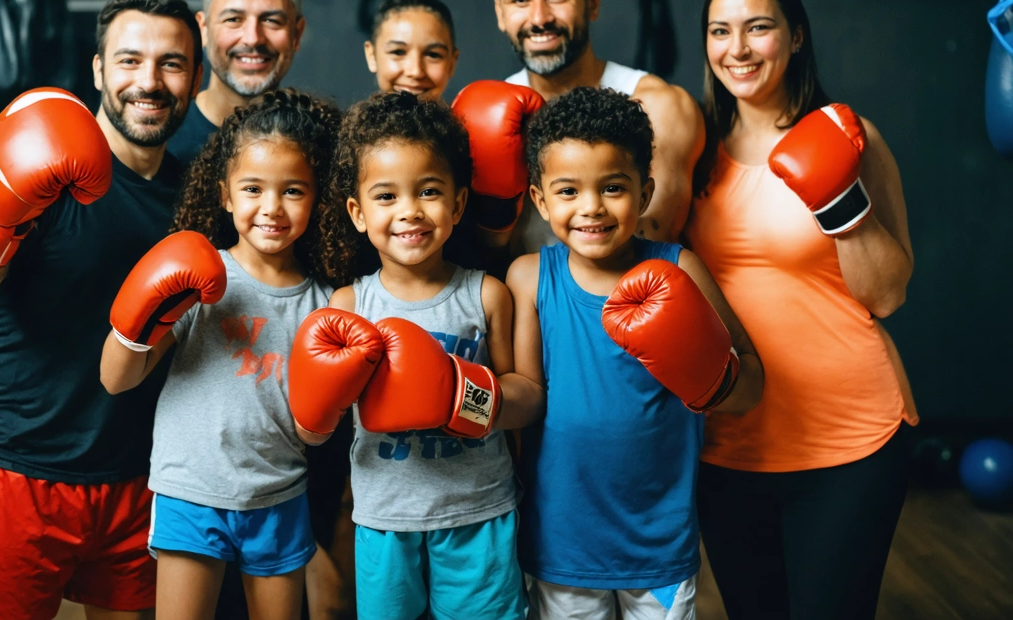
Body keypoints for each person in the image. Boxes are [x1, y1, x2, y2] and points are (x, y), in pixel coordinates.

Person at [0, 0, 203, 620]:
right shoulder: (36, 166)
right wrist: (3, 211)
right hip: (16, 471)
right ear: (97, 69)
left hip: (139, 479)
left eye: (171, 63)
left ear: (196, 77)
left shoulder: (198, 201)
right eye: (128, 60)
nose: (148, 81)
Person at [683, 0, 917, 620]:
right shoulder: (695, 150)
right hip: (731, 439)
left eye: (758, 27)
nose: (738, 49)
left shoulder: (851, 135)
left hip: (850, 435)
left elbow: (889, 295)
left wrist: (839, 198)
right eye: (720, 31)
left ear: (795, 35)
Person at [504, 87, 763, 620]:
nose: (592, 207)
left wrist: (704, 375)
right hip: (564, 542)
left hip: (658, 542)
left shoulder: (679, 269)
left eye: (613, 187)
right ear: (539, 200)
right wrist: (462, 399)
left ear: (645, 193)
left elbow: (751, 389)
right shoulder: (530, 278)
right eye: (568, 190)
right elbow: (527, 400)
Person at [100, 90, 341, 620]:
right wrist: (138, 316)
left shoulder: (325, 303)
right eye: (253, 188)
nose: (271, 208)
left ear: (318, 197)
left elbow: (313, 433)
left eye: (293, 190)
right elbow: (117, 379)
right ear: (226, 195)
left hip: (278, 493)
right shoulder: (200, 277)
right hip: (191, 489)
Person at [296, 91, 529, 620]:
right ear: (357, 212)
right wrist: (317, 407)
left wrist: (456, 396)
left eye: (428, 191)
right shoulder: (349, 306)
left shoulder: (485, 294)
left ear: (458, 203)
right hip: (384, 516)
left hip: (478, 511)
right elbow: (316, 428)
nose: (409, 212)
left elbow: (528, 398)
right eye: (386, 197)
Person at [491, 0, 704, 249]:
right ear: (501, 14)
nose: (539, 18)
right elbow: (474, 255)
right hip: (520, 298)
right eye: (520, 0)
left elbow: (651, 238)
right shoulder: (483, 115)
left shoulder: (660, 107)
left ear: (592, 3)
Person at [166, 0, 306, 165]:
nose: (253, 38)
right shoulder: (161, 141)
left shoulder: (320, 149)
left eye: (271, 21)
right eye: (233, 19)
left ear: (297, 34)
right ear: (203, 29)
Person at [363, 0, 459, 101]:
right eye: (398, 52)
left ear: (452, 62)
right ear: (371, 56)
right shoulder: (349, 121)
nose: (415, 72)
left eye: (433, 55)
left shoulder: (472, 121)